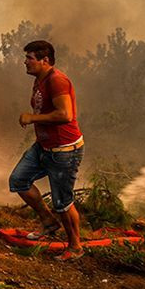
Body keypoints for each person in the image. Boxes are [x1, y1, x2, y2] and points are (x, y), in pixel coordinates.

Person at [9, 39, 86, 260]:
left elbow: (65, 115)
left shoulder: (57, 81)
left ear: (45, 61)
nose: (25, 62)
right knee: (18, 180)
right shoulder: (40, 80)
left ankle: (75, 247)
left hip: (64, 150)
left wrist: (32, 117)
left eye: (29, 58)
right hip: (43, 147)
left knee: (62, 202)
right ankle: (48, 222)